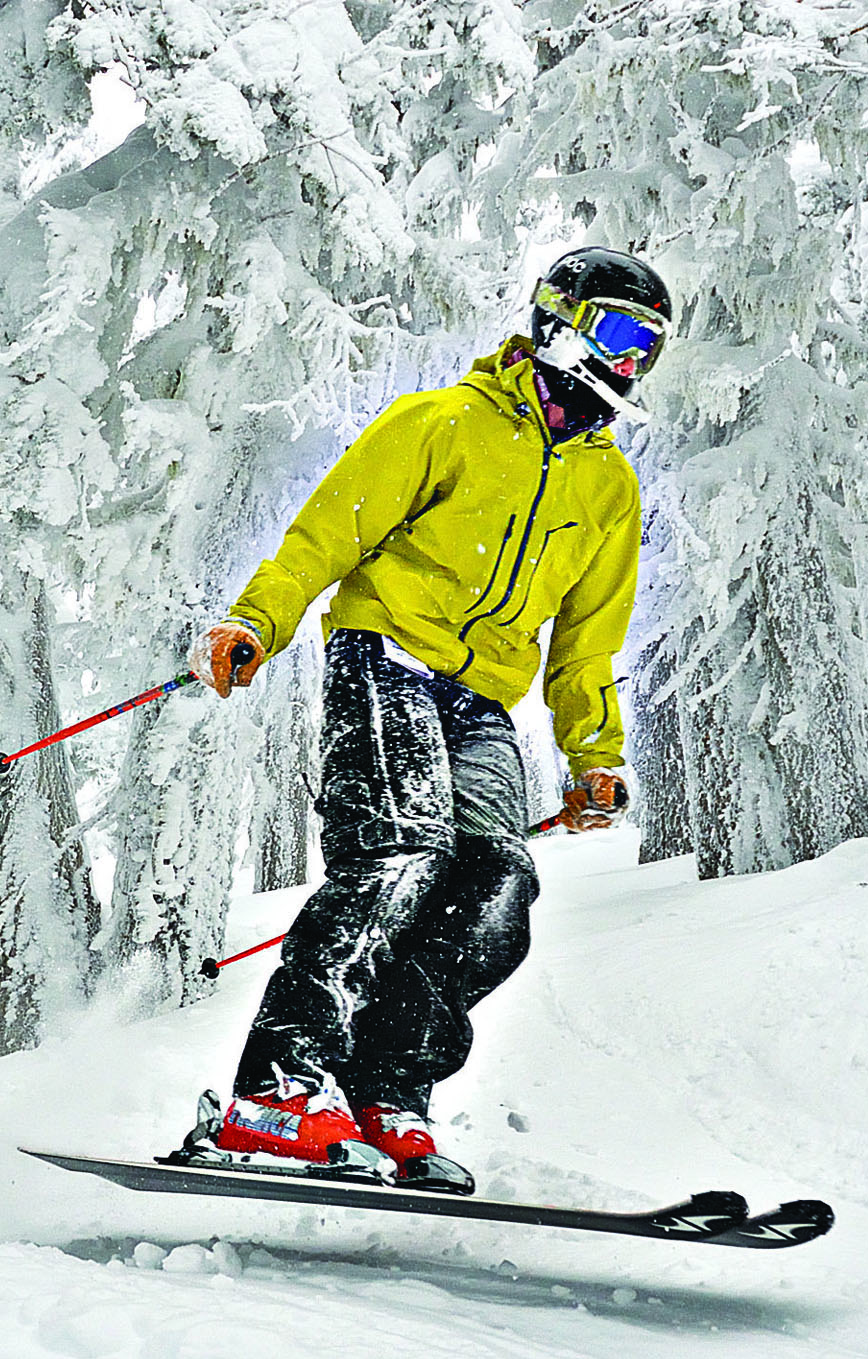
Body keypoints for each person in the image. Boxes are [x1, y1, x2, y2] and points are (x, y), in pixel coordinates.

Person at [178, 247, 672, 1192]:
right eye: (616, 332)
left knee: (495, 888)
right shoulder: (442, 423)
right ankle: (275, 1091)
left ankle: (383, 1089)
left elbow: (586, 643)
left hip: (483, 698)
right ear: (559, 319)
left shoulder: (607, 485)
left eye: (647, 348)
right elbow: (325, 532)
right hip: (387, 656)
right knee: (399, 855)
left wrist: (593, 756)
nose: (628, 362)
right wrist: (257, 619)